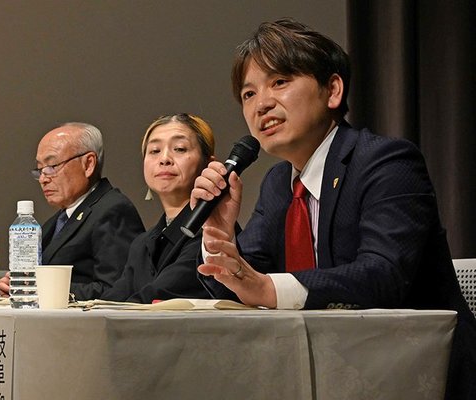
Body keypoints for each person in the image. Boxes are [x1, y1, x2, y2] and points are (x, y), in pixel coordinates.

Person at [191, 18, 475, 399]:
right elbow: (239, 281)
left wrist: (265, 287)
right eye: (248, 94)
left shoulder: (385, 162)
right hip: (328, 374)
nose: (262, 104)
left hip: (417, 374)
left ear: (333, 90)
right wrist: (219, 234)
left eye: (280, 82)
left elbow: (384, 275)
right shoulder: (278, 183)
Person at [0, 122, 145, 301]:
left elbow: (117, 290)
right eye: (40, 169)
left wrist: (41, 288)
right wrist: (17, 286)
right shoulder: (59, 219)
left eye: (52, 166)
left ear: (88, 164)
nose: (43, 179)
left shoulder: (113, 210)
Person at [102, 114, 215, 303]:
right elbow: (111, 301)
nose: (164, 159)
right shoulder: (142, 244)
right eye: (154, 151)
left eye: (179, 149)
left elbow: (160, 293)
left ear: (208, 164)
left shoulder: (213, 232)